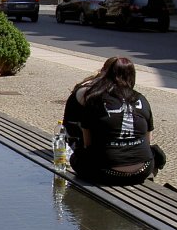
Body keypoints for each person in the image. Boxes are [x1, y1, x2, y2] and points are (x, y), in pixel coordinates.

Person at [68, 56, 159, 186]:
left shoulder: (94, 100)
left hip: (104, 172)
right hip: (142, 170)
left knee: (76, 158)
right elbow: (147, 140)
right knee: (157, 153)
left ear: (105, 74)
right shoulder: (141, 99)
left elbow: (88, 144)